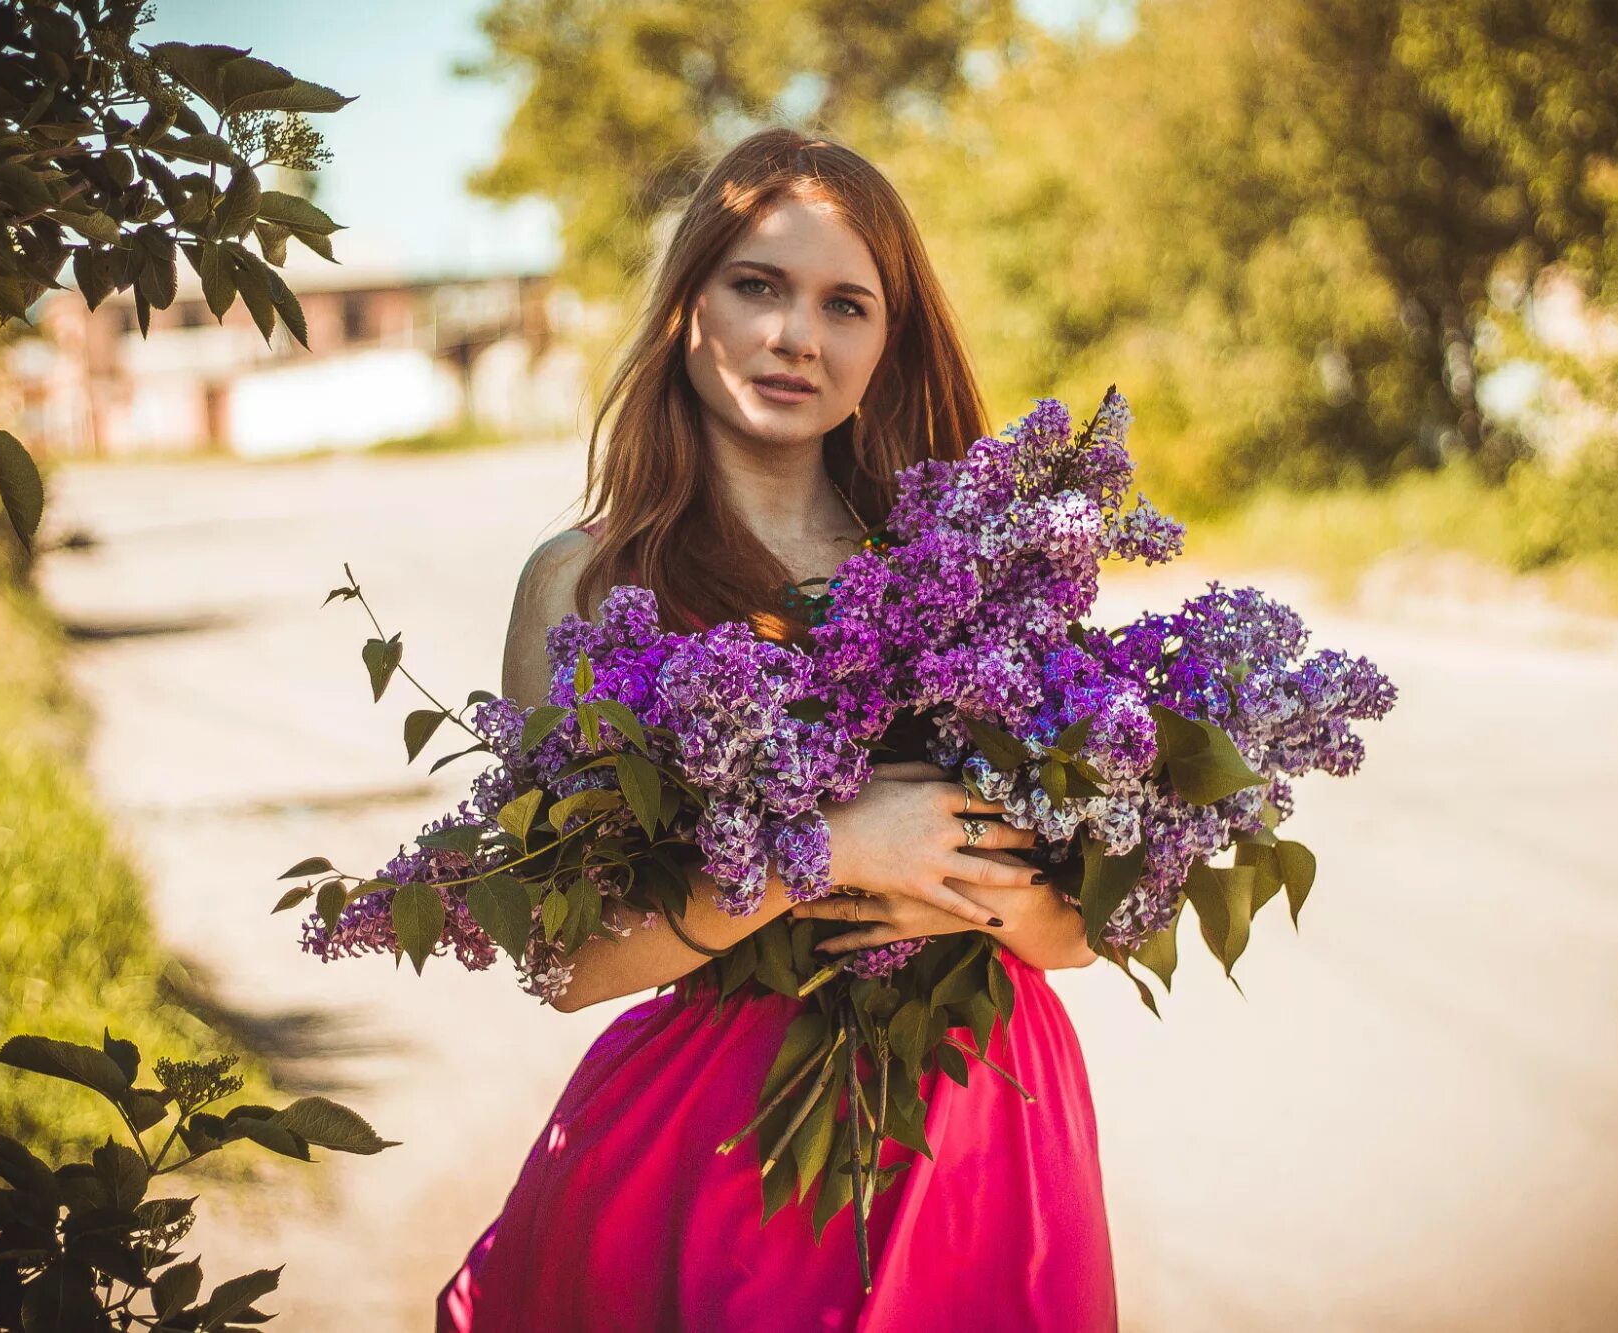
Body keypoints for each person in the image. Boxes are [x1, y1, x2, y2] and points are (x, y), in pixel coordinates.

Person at [436, 128, 1117, 1332]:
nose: (795, 334)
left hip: (984, 1127)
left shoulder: (964, 568)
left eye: (843, 304)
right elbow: (561, 959)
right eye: (757, 284)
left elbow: (1076, 929)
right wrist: (840, 849)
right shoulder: (583, 583)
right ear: (688, 301)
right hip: (717, 1148)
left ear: (881, 346)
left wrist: (968, 889)